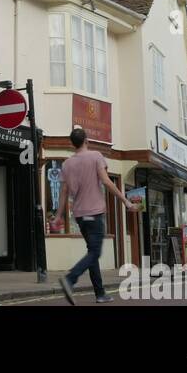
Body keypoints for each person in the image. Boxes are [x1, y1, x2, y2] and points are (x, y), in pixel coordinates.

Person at [51, 127, 139, 305]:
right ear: (86, 141)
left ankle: (100, 293)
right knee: (95, 252)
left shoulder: (67, 164)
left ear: (72, 144)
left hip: (80, 217)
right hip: (95, 213)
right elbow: (106, 181)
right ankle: (70, 279)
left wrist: (59, 216)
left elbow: (63, 192)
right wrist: (126, 202)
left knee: (92, 252)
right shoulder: (96, 156)